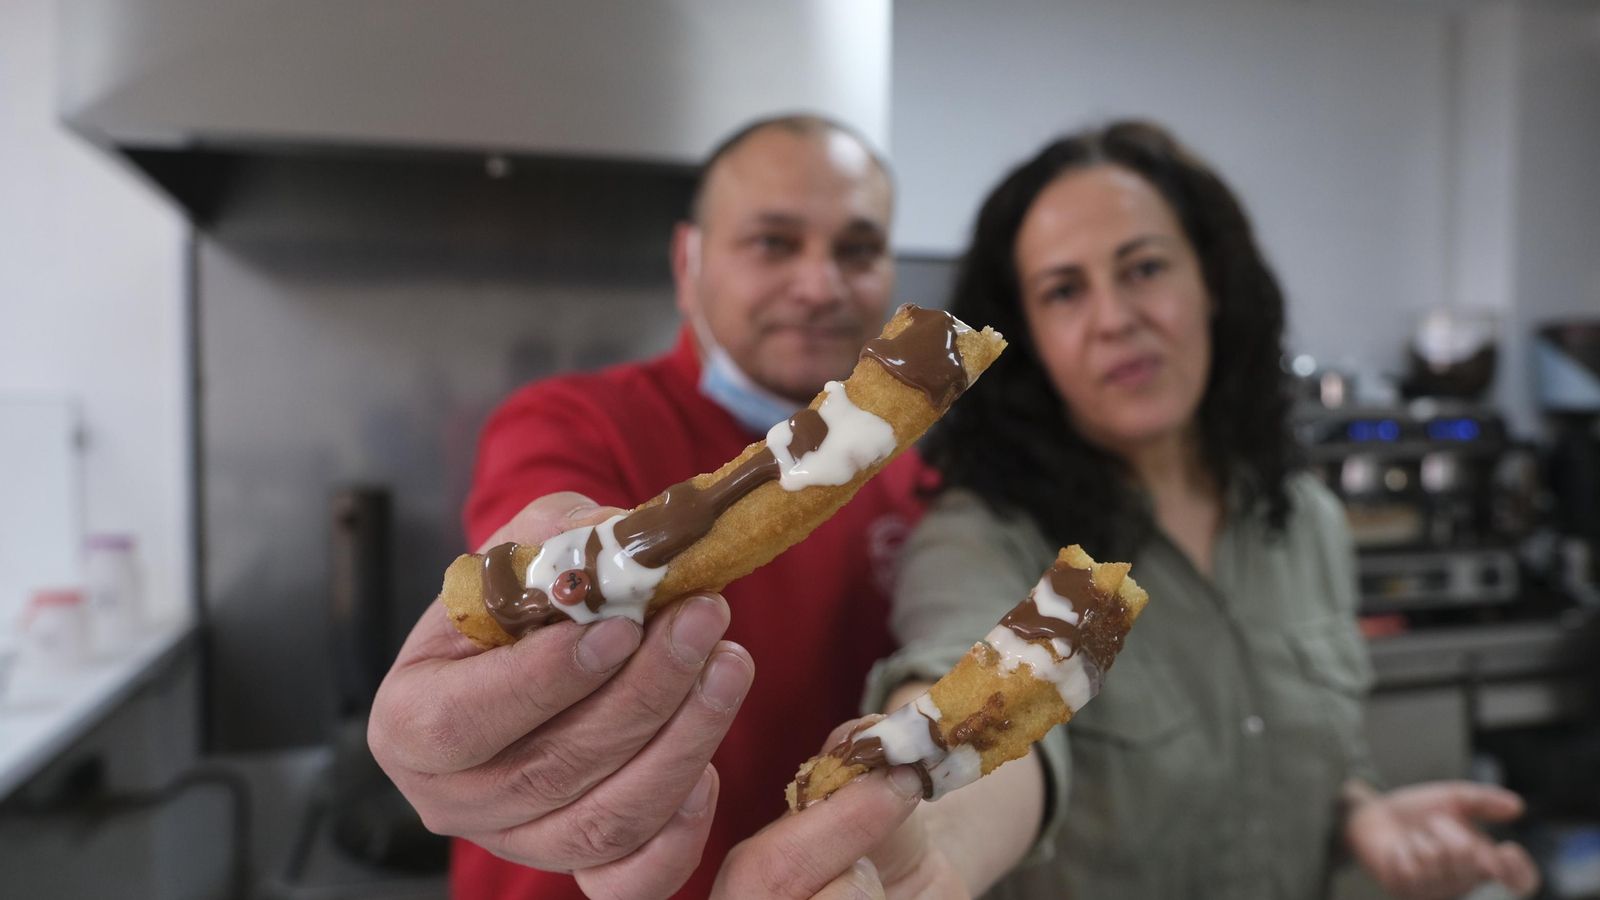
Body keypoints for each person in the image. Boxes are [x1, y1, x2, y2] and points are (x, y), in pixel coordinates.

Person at [862, 121, 1544, 899]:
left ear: (1212, 282)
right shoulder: (986, 540)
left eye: (1144, 268)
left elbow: (1315, 748)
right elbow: (970, 703)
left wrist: (1362, 815)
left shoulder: (1305, 521)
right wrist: (932, 839)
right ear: (1029, 340)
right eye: (1064, 291)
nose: (1115, 317)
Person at [367, 113, 935, 899]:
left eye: (858, 250)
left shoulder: (915, 485)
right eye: (773, 242)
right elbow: (539, 531)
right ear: (687, 262)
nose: (820, 285)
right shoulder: (572, 422)